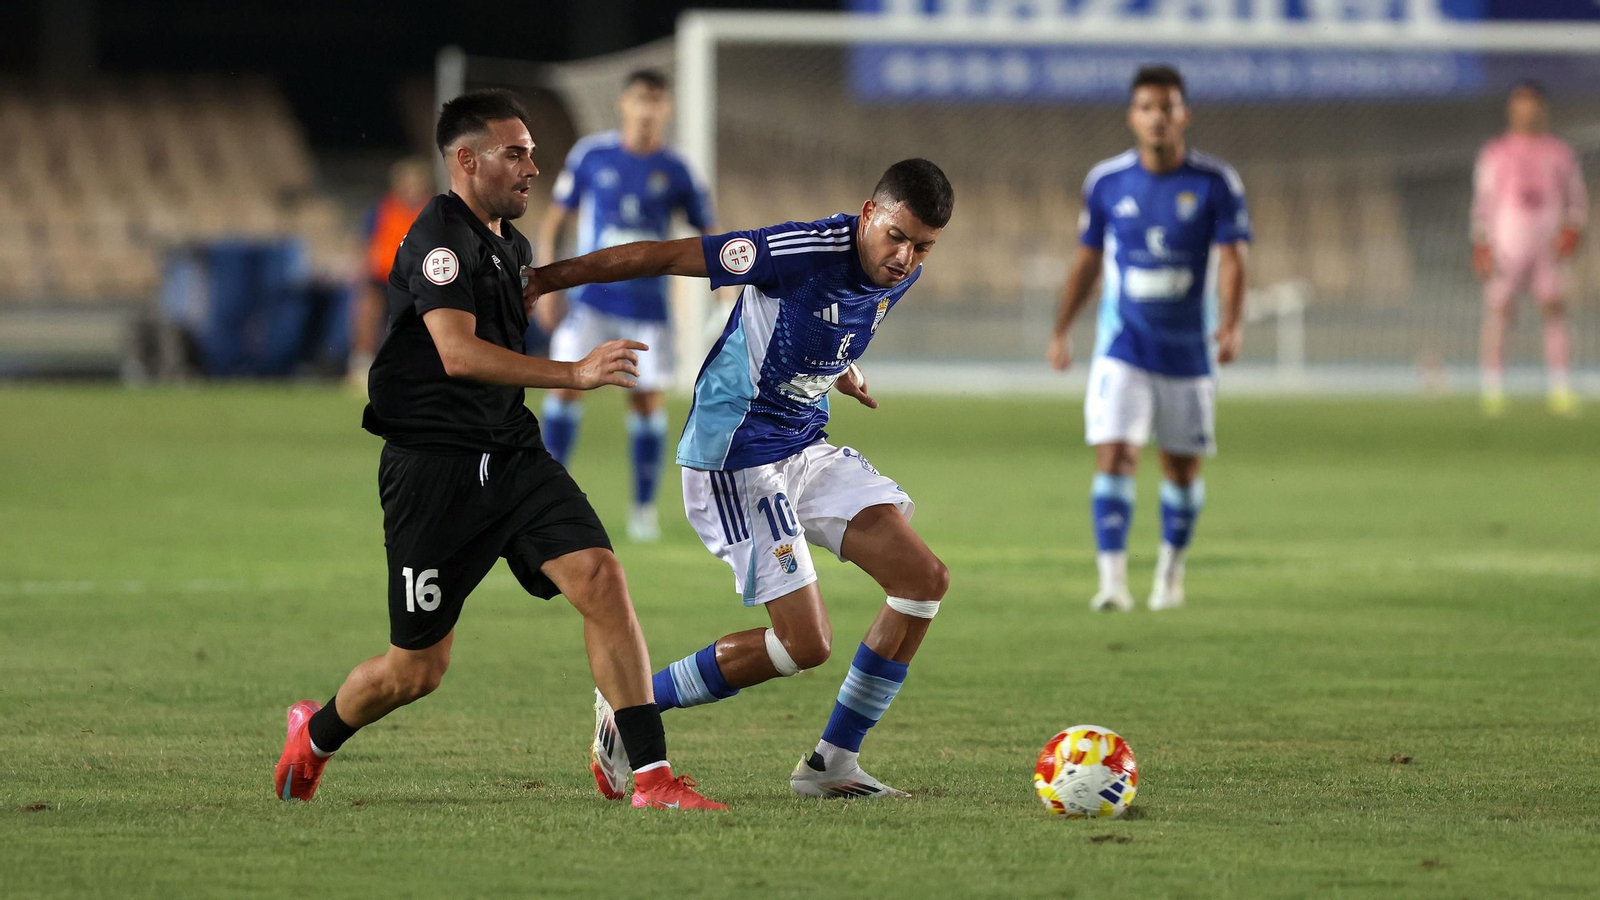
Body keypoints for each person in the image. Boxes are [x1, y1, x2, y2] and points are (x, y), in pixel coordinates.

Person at [273, 89, 725, 811]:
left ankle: (652, 779)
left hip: (511, 454)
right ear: (466, 159)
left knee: (603, 580)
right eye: (515, 153)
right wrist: (574, 373)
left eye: (533, 154)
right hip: (434, 469)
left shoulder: (510, 245)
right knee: (415, 670)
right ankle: (316, 731)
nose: (532, 168)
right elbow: (456, 353)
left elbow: (540, 286)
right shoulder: (439, 241)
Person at [524, 159, 954, 800]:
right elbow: (664, 255)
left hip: (804, 445)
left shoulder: (899, 272)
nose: (905, 256)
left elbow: (819, 324)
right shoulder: (796, 251)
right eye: (897, 235)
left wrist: (840, 367)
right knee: (806, 644)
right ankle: (629, 705)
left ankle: (831, 765)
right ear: (869, 212)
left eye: (922, 247)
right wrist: (546, 279)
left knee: (923, 579)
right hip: (737, 455)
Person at [1045, 65, 1251, 613]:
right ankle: (1112, 582)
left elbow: (1233, 258)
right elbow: (1087, 260)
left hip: (1188, 352)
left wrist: (1232, 322)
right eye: (1147, 107)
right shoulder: (1108, 182)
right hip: (1123, 347)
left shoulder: (1215, 183)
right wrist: (1062, 328)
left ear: (1184, 114)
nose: (1158, 117)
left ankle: (1170, 574)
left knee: (1181, 469)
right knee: (1115, 455)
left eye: (1167, 107)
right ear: (1132, 117)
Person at [537, 70, 716, 541]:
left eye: (656, 101)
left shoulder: (678, 170)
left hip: (648, 308)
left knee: (646, 403)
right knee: (563, 388)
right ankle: (545, 496)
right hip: (590, 301)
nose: (647, 109)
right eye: (640, 99)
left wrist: (729, 289)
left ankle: (642, 511)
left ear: (666, 110)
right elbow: (556, 219)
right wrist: (545, 282)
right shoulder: (592, 155)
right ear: (624, 104)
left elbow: (709, 236)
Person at [1472, 80, 1588, 417]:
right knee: (1500, 310)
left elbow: (1575, 198)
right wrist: (1481, 240)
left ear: (1542, 108)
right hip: (1507, 243)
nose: (1527, 110)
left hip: (1548, 245)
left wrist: (1573, 227)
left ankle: (1560, 388)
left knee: (1554, 309)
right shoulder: (1495, 152)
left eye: (1532, 103)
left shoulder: (1560, 153)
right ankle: (1492, 389)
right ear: (1511, 109)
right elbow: (1483, 199)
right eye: (1520, 103)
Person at [346, 158, 434, 390]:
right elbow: (365, 241)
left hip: (418, 281)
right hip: (382, 277)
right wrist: (361, 270)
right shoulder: (382, 209)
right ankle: (361, 366)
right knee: (366, 313)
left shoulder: (432, 212)